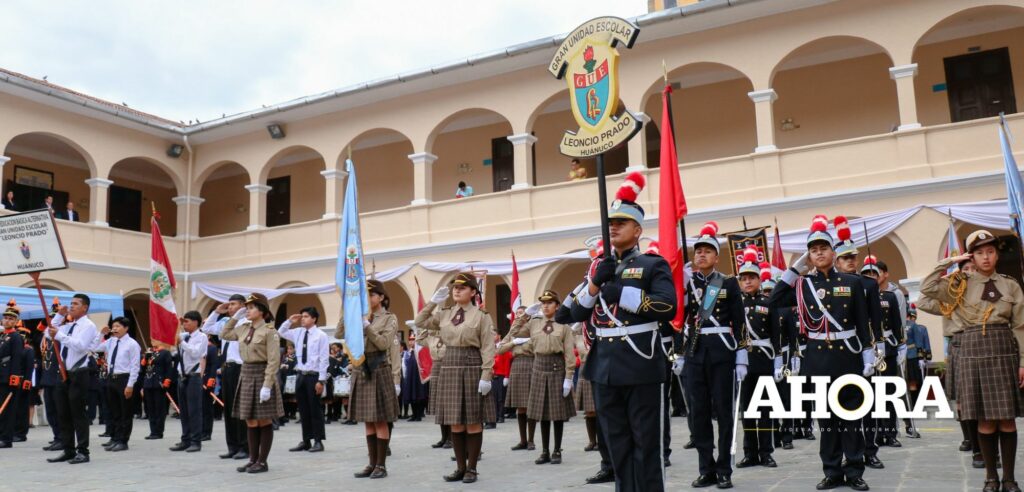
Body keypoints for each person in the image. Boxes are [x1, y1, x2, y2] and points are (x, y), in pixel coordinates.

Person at [567, 173, 676, 492]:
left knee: (646, 444)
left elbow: (668, 306)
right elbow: (574, 314)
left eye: (621, 223)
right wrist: (594, 284)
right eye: (610, 223)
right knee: (618, 445)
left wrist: (625, 295)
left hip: (640, 363)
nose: (613, 227)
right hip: (605, 367)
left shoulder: (653, 265)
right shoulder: (600, 268)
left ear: (637, 229)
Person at [769, 214, 872, 491]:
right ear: (809, 256)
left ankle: (854, 470)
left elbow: (862, 321)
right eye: (813, 250)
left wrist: (867, 352)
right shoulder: (803, 285)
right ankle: (832, 471)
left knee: (851, 417)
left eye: (823, 248)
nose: (819, 253)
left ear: (833, 252)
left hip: (847, 355)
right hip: (817, 358)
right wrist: (794, 269)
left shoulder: (851, 282)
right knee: (826, 420)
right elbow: (774, 300)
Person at [920, 230, 1024, 492]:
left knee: (1007, 419)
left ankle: (1009, 479)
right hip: (972, 350)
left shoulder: (1010, 285)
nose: (985, 257)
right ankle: (990, 477)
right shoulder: (959, 284)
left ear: (997, 255)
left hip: (1004, 350)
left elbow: (1020, 326)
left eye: (990, 251)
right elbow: (926, 288)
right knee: (984, 419)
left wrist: (1023, 362)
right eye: (979, 253)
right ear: (971, 257)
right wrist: (950, 262)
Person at [679, 221, 746, 488]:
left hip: (722, 351)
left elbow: (739, 321)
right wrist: (679, 353)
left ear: (716, 257)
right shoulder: (687, 283)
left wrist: (742, 353)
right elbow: (680, 319)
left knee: (725, 413)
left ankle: (724, 469)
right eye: (698, 251)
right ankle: (706, 468)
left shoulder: (727, 283)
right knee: (699, 413)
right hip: (695, 351)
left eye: (708, 251)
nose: (702, 255)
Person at [415, 273, 497, 484]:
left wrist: (486, 375)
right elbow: (419, 321)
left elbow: (488, 347)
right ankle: (460, 468)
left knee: (473, 421)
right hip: (449, 365)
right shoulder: (445, 313)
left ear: (473, 292)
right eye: (455, 288)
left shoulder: (481, 315)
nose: (457, 291)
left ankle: (472, 468)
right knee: (455, 422)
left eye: (462, 287)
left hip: (471, 365)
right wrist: (433, 302)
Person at [340, 280, 400, 479]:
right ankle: (371, 463)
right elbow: (339, 333)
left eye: (371, 294)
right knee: (368, 420)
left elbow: (383, 343)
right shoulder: (358, 315)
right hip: (360, 367)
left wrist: (367, 326)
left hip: (378, 368)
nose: (367, 298)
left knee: (380, 420)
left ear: (381, 297)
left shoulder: (389, 318)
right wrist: (346, 309)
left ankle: (381, 465)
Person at [219, 293, 285, 474]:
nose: (247, 311)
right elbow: (224, 334)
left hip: (262, 374)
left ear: (262, 311)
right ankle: (252, 460)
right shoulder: (243, 328)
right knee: (250, 420)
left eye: (251, 308)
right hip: (246, 374)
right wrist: (235, 317)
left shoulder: (270, 331)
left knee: (263, 419)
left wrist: (267, 385)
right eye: (246, 308)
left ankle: (262, 461)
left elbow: (273, 361)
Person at [735, 250, 783, 469]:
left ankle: (766, 452)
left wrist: (778, 360)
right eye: (744, 278)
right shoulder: (736, 304)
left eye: (751, 278)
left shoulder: (768, 302)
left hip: (764, 359)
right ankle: (750, 453)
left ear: (759, 279)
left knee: (764, 409)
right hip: (744, 361)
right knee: (747, 410)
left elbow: (776, 334)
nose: (747, 282)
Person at [519, 290, 576, 465]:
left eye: (550, 302)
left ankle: (557, 450)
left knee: (557, 414)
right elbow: (515, 333)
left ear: (557, 306)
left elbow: (569, 353)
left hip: (556, 368)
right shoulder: (534, 323)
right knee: (542, 414)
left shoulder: (563, 325)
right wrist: (524, 316)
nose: (545, 306)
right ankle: (544, 451)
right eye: (543, 303)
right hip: (538, 367)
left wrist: (569, 377)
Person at [861, 256, 907, 448]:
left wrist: (901, 345)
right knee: (871, 393)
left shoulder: (889, 297)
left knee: (888, 391)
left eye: (874, 273)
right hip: (867, 349)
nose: (872, 277)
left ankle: (890, 432)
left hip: (887, 347)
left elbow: (897, 323)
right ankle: (876, 433)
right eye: (867, 274)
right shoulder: (859, 297)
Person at [45, 294, 97, 464]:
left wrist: (60, 336)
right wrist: (58, 316)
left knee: (78, 414)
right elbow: (48, 334)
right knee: (63, 413)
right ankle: (68, 450)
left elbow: (80, 346)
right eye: (71, 303)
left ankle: (83, 451)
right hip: (63, 373)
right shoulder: (69, 325)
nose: (71, 306)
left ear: (85, 307)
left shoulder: (88, 326)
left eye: (75, 304)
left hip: (79, 373)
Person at [203, 294, 250, 460]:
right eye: (229, 304)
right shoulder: (225, 323)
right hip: (227, 368)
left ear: (243, 306)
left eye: (233, 304)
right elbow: (206, 328)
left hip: (241, 367)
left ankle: (245, 447)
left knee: (240, 409)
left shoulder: (247, 322)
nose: (229, 307)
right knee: (229, 409)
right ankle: (232, 446)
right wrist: (217, 311)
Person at [278, 307, 329, 454]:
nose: (302, 319)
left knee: (315, 409)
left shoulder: (321, 335)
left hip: (314, 376)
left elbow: (324, 359)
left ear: (314, 319)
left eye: (306, 316)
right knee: (303, 409)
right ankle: (306, 440)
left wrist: (321, 380)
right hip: (301, 375)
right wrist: (289, 321)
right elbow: (281, 332)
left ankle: (318, 441)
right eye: (302, 316)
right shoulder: (298, 332)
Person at [95, 317, 141, 452]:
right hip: (111, 378)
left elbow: (135, 366)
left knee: (125, 412)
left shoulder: (132, 344)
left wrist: (130, 385)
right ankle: (115, 437)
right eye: (113, 326)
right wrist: (101, 334)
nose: (114, 329)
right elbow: (94, 347)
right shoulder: (111, 341)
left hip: (124, 379)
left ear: (126, 328)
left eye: (118, 326)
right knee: (114, 411)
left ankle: (123, 440)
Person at [496, 305, 535, 451]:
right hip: (517, 365)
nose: (519, 315)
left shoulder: (533, 327)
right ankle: (523, 440)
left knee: (531, 405)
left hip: (531, 363)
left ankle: (531, 440)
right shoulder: (513, 331)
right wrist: (513, 342)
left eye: (521, 313)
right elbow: (500, 349)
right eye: (517, 313)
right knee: (520, 406)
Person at [170, 311, 207, 453]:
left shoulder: (201, 337)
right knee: (184, 411)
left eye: (187, 321)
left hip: (193, 376)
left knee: (194, 410)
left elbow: (196, 353)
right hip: (182, 376)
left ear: (196, 322)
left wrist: (182, 343)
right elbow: (176, 352)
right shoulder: (184, 336)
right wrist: (177, 328)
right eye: (184, 321)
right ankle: (185, 439)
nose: (185, 324)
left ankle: (196, 441)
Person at [415, 317, 449, 449]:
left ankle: (451, 438)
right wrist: (426, 330)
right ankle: (443, 438)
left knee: (448, 405)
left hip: (447, 365)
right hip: (436, 367)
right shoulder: (431, 338)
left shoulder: (448, 334)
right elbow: (419, 340)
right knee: (439, 405)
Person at [903, 304, 931, 438]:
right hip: (899, 357)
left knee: (913, 384)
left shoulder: (913, 326)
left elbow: (920, 341)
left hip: (912, 356)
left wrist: (922, 356)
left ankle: (912, 408)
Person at [0, 301, 24, 449]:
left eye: (11, 319)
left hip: (7, 377)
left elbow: (17, 358)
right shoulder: (3, 336)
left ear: (15, 322)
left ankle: (6, 438)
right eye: (5, 318)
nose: (7, 320)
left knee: (7, 409)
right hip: (1, 376)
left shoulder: (16, 337)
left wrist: (14, 377)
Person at [142, 344, 172, 440]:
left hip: (159, 383)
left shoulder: (165, 353)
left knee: (159, 409)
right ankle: (153, 431)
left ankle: (159, 432)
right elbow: (143, 369)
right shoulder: (150, 352)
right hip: (148, 383)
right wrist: (145, 359)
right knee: (150, 409)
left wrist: (167, 381)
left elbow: (169, 368)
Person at [202, 337, 221, 441]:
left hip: (207, 380)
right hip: (198, 380)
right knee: (199, 407)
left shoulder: (212, 348)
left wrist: (211, 380)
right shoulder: (199, 347)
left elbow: (214, 365)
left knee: (207, 407)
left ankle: (207, 432)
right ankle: (200, 430)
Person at [491, 333, 511, 426]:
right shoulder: (492, 348)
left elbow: (507, 362)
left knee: (501, 397)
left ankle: (501, 416)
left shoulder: (503, 347)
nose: (492, 337)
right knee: (494, 397)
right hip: (494, 375)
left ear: (499, 336)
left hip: (502, 375)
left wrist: (506, 376)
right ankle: (495, 416)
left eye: (494, 335)